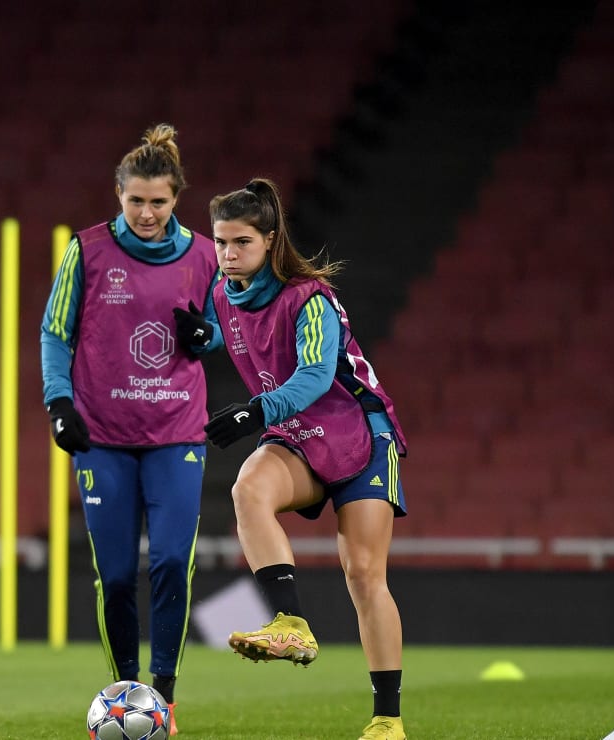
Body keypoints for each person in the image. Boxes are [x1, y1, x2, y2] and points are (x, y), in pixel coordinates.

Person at [194, 178, 408, 740]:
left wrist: (253, 412)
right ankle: (290, 624)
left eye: (240, 242)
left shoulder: (310, 297)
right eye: (219, 242)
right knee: (247, 491)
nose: (227, 254)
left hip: (359, 432)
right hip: (298, 432)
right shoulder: (224, 289)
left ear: (270, 240)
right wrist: (204, 337)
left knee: (364, 575)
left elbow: (314, 374)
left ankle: (388, 719)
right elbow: (235, 331)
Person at [40, 123, 220, 736]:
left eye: (159, 202)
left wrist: (209, 336)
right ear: (118, 194)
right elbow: (54, 332)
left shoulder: (203, 255)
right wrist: (59, 402)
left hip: (176, 434)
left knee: (171, 562)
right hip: (103, 439)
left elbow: (225, 325)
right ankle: (126, 686)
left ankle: (161, 697)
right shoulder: (85, 251)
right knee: (115, 575)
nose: (147, 213)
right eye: (136, 200)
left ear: (177, 200)